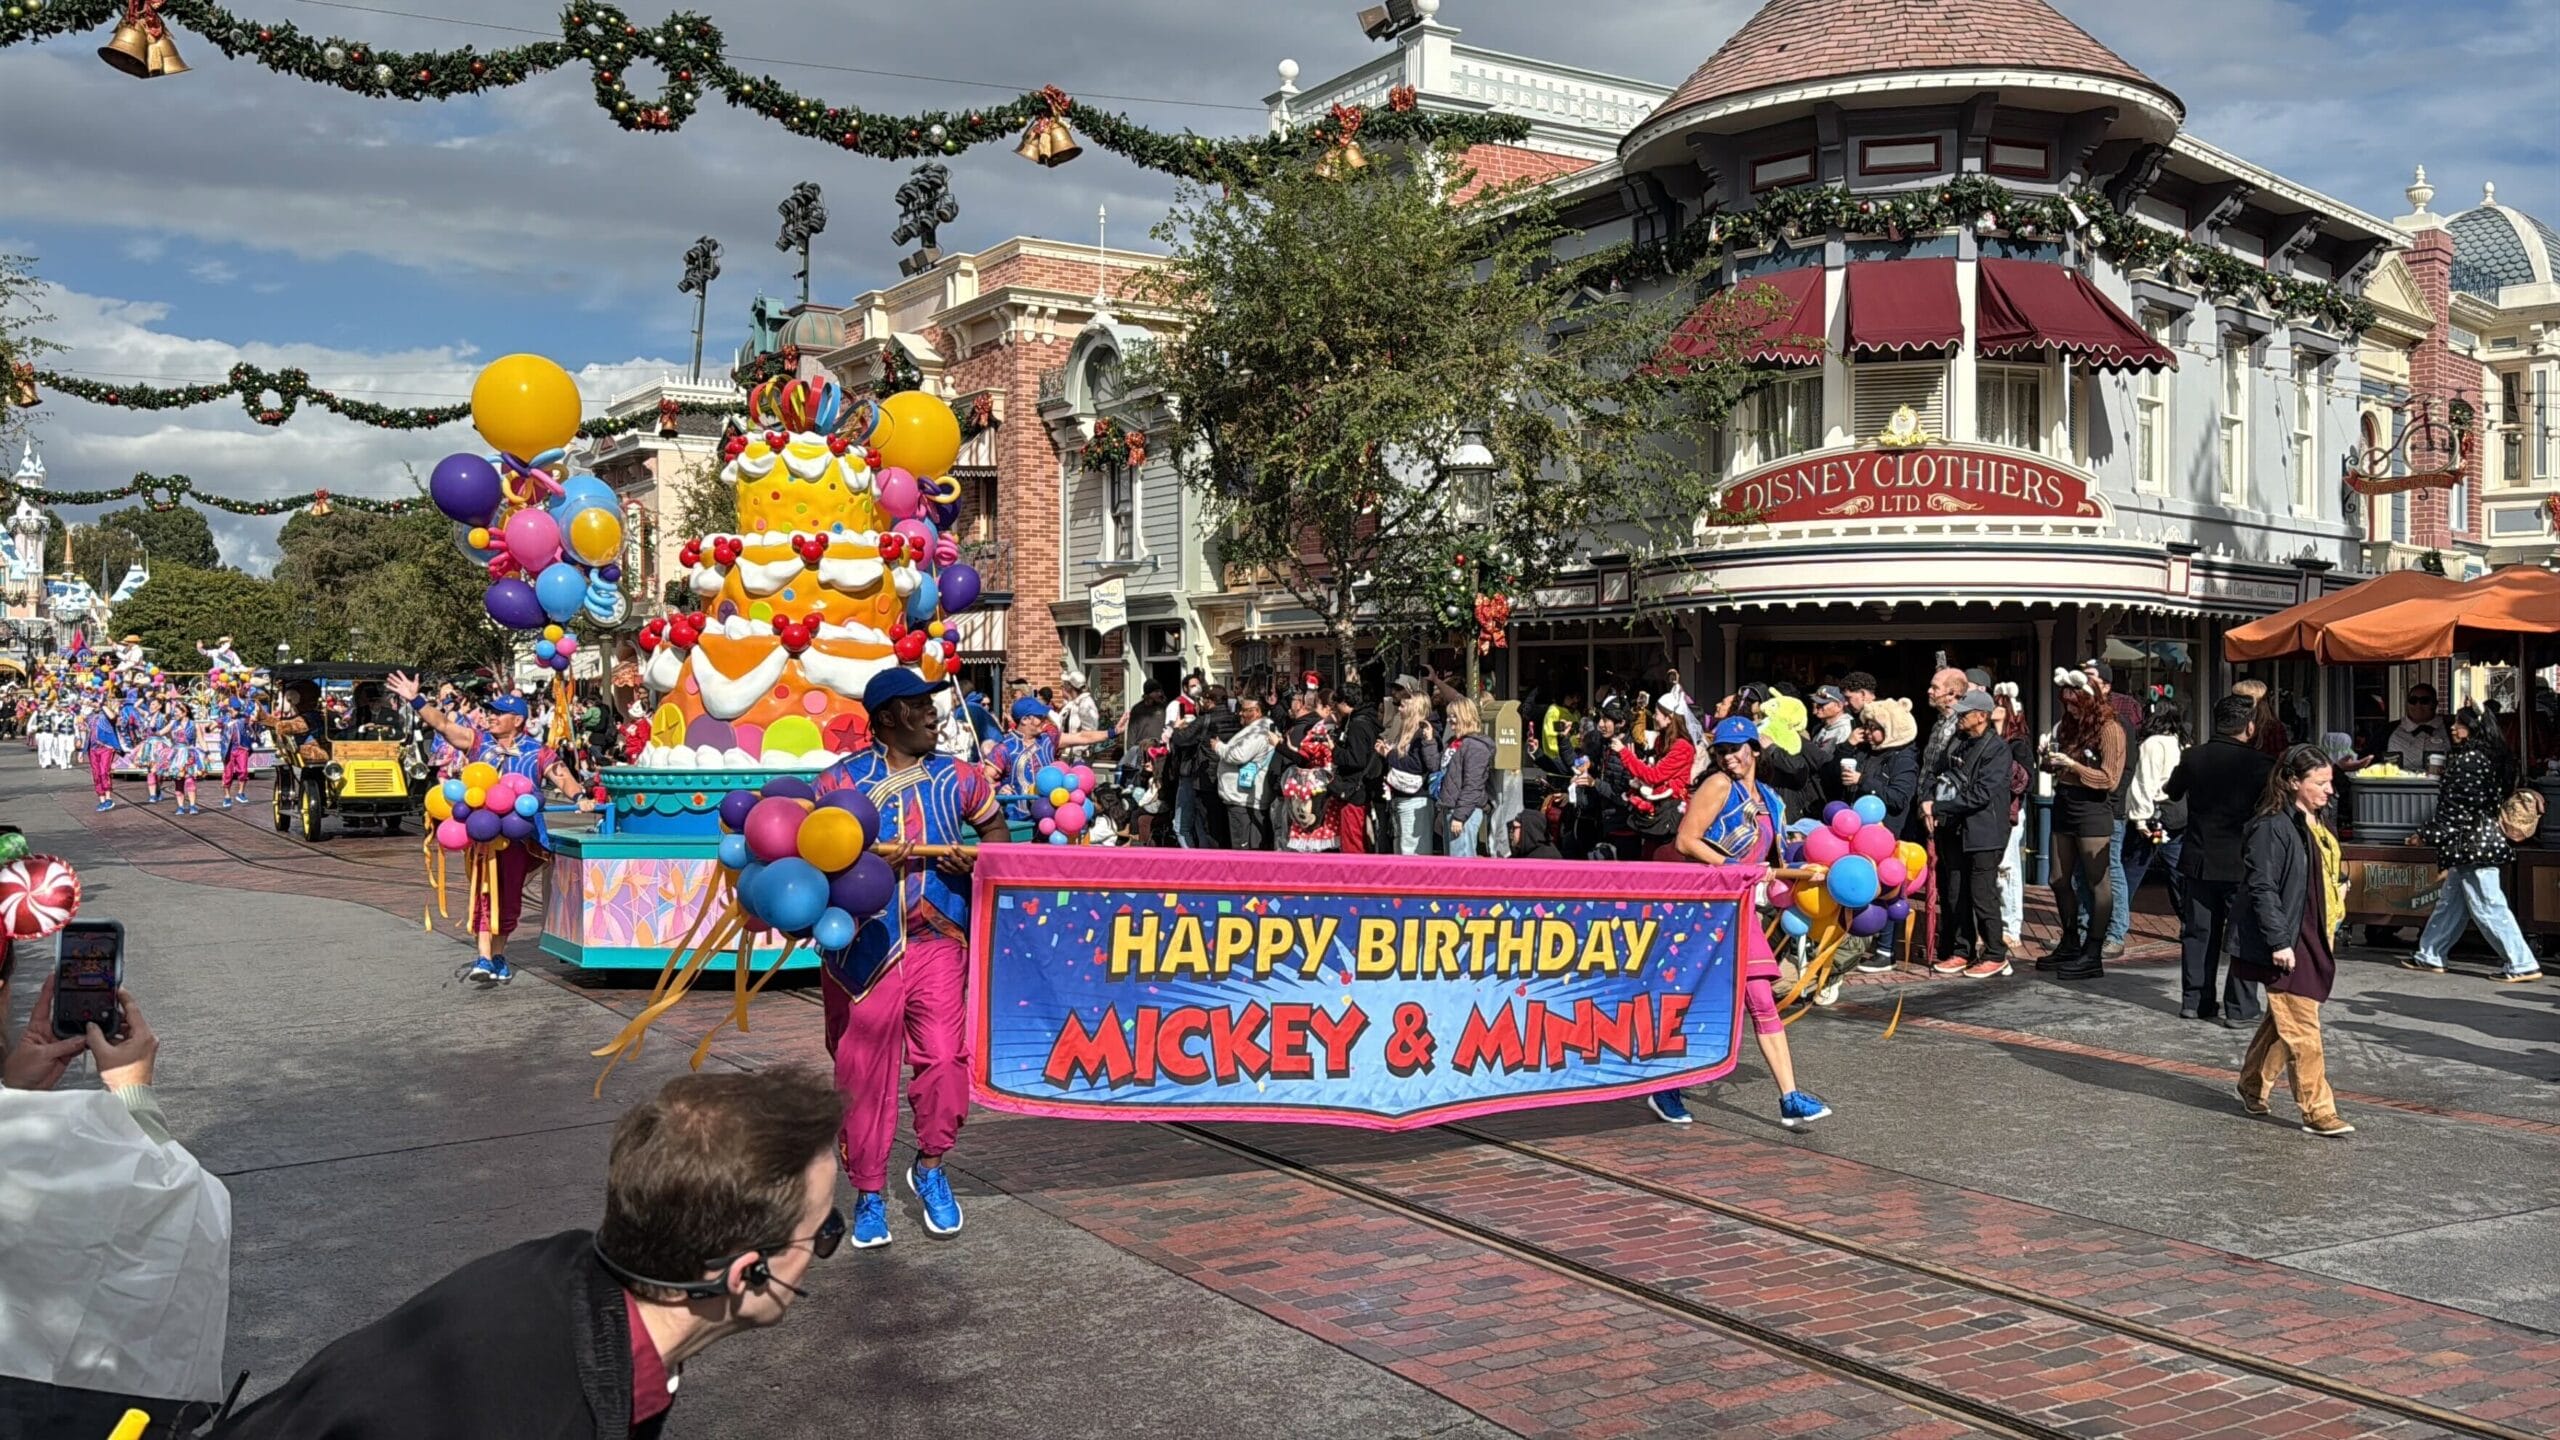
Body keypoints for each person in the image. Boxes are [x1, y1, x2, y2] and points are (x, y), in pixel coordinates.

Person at [215, 1068, 845, 1437]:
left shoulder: (562, 1271)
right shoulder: (553, 1413)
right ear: (746, 1272)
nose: (821, 1248)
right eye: (822, 1231)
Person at [811, 668, 1011, 1247]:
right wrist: (866, 866)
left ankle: (930, 1167)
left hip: (938, 939)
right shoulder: (838, 785)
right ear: (890, 717)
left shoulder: (961, 778)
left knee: (947, 1062)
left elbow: (996, 834)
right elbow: (814, 862)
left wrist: (973, 858)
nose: (935, 716)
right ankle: (869, 1192)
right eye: (922, 707)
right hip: (863, 950)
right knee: (863, 1074)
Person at [1661, 715, 1832, 1128]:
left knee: (1758, 997)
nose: (1729, 757)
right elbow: (1686, 839)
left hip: (1741, 908)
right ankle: (1662, 1083)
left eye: (1736, 748)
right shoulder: (1718, 785)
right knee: (1695, 997)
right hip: (1706, 908)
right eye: (1721, 750)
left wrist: (1805, 869)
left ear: (1754, 749)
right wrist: (1734, 867)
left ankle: (1789, 1096)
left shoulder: (1771, 798)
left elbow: (1775, 859)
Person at [387, 673, 596, 984]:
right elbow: (443, 725)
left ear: (518, 720)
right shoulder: (477, 741)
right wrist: (416, 699)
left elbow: (561, 776)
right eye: (490, 711)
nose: (491, 717)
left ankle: (498, 954)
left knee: (508, 896)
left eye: (499, 713)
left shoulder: (537, 751)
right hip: (481, 832)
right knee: (482, 892)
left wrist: (580, 797)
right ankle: (484, 957)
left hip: (519, 836)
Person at [2231, 746, 2354, 1139]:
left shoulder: (2313, 821)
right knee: (2302, 1028)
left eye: (2331, 782)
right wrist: (2279, 942)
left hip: (2315, 932)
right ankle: (2318, 1110)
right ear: (2292, 782)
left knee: (2283, 1020)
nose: (2329, 790)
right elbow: (2261, 887)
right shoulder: (2271, 827)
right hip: (2289, 939)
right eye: (2320, 783)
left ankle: (2252, 1084)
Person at [2406, 706, 2542, 983]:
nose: (2453, 728)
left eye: (2459, 723)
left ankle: (2522, 962)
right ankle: (2429, 954)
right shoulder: (2491, 758)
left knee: (2488, 905)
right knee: (2451, 902)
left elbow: (2455, 810)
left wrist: (2425, 834)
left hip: (2470, 844)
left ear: (2473, 728)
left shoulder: (2467, 760)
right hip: (2480, 840)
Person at [2165, 695, 2276, 1024]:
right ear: (2250, 726)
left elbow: (2172, 792)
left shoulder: (2193, 757)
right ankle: (2240, 1008)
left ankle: (2194, 1001)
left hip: (2199, 857)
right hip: (2242, 860)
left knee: (2199, 932)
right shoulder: (2262, 764)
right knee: (2243, 933)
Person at [2040, 674, 2124, 980]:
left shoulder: (2110, 729)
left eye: (2076, 704)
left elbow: (2110, 779)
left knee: (2096, 881)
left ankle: (2094, 950)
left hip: (2092, 808)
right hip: (2064, 801)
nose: (2071, 709)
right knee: (2058, 878)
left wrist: (2074, 766)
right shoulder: (2068, 727)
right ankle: (2070, 939)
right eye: (2067, 704)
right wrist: (2047, 758)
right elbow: (2055, 768)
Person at [1931, 691, 2016, 978]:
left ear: (1982, 716)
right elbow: (1939, 773)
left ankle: (1995, 953)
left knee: (1983, 894)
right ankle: (1961, 950)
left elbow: (1981, 794)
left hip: (1984, 831)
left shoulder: (1998, 749)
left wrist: (1941, 805)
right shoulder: (1957, 742)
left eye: (1965, 713)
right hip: (1954, 829)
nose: (1960, 717)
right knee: (1955, 893)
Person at [1845, 698, 1919, 972]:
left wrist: (1864, 781)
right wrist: (1848, 747)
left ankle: (1886, 950)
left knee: (1887, 891)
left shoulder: (1904, 759)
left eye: (1875, 728)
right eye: (1867, 726)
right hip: (1859, 833)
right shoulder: (1866, 752)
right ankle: (1854, 946)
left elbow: (1899, 798)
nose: (1869, 733)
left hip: (1888, 834)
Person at [2080, 661, 2136, 958]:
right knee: (2082, 871)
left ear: (2106, 685)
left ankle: (2115, 932)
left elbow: (2124, 769)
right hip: (2082, 809)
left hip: (2107, 809)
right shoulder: (2080, 721)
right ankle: (2086, 928)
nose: (2084, 684)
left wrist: (2112, 803)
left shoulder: (2118, 724)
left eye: (2090, 678)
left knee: (2109, 869)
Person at [1917, 666, 1971, 964]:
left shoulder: (1961, 727)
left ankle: (1958, 948)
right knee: (1943, 885)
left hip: (1949, 815)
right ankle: (1947, 944)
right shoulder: (1940, 723)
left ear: (1952, 692)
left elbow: (1951, 774)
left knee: (1955, 885)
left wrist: (1937, 807)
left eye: (1935, 686)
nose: (1929, 690)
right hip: (1930, 811)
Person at [2121, 699, 2187, 928]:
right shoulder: (2181, 743)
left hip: (2153, 815)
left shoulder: (2151, 744)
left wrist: (2139, 817)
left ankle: (2115, 922)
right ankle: (2189, 923)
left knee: (2131, 870)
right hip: (2176, 815)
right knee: (2178, 871)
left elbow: (2144, 782)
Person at [1214, 695, 1280, 851]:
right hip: (1246, 796)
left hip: (1244, 798)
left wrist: (1218, 746)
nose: (1240, 713)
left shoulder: (1258, 731)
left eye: (1244, 710)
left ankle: (1244, 874)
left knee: (1243, 845)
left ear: (1256, 711)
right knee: (1252, 844)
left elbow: (1238, 755)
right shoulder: (1260, 728)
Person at [1380, 690, 1439, 856]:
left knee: (1412, 851)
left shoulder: (1423, 733)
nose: (1399, 709)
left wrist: (1389, 755)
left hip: (1416, 799)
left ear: (1414, 708)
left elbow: (1416, 765)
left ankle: (1417, 882)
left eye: (1403, 705)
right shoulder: (1406, 731)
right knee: (1401, 848)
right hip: (1401, 795)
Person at [1437, 697, 1497, 858]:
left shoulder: (1476, 746)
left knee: (1461, 863)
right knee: (1453, 863)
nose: (1449, 720)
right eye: (1449, 716)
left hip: (1465, 811)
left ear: (1466, 716)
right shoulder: (1456, 742)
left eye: (1454, 716)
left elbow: (1473, 785)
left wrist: (1459, 816)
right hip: (1451, 808)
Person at [1331, 685, 1383, 855]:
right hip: (1363, 786)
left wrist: (1335, 750)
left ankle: (1354, 874)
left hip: (1355, 788)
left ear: (1344, 702)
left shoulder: (1357, 725)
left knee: (1353, 838)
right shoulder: (1365, 719)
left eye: (1336, 703)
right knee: (1358, 835)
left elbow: (1356, 759)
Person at [81, 701, 122, 812]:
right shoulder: (90, 717)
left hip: (106, 748)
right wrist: (82, 751)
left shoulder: (107, 715)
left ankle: (108, 798)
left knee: (104, 771)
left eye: (96, 702)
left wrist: (102, 704)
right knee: (96, 774)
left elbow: (113, 716)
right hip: (93, 749)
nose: (94, 704)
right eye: (93, 702)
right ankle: (102, 799)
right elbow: (87, 733)